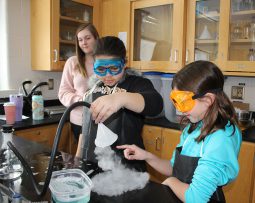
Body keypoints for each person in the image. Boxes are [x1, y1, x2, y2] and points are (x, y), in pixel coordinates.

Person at [117, 61, 242, 203]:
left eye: (184, 102)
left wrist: (170, 182)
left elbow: (196, 198)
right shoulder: (193, 127)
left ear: (208, 100)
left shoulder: (220, 138)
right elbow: (174, 169)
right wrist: (146, 156)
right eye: (176, 101)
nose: (180, 109)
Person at [77, 36, 164, 171]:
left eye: (114, 68)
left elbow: (155, 104)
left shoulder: (136, 84)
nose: (107, 75)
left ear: (124, 64)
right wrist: (78, 160)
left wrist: (120, 98)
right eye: (101, 69)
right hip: (93, 163)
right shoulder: (92, 89)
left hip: (127, 165)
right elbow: (85, 130)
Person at [58, 23, 99, 142]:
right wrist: (81, 100)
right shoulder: (72, 62)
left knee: (103, 157)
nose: (84, 43)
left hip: (103, 119)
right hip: (79, 120)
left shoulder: (105, 61)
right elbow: (63, 93)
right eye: (80, 40)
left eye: (88, 38)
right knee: (84, 157)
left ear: (96, 38)